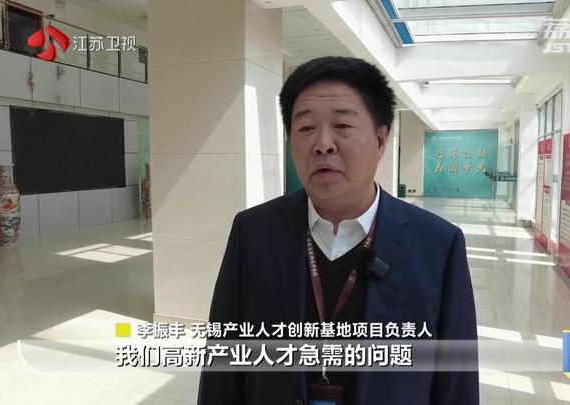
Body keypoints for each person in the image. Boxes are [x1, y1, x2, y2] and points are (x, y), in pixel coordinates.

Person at [198, 56, 478, 405]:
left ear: (380, 140)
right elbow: (222, 366)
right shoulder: (252, 233)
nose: (323, 144)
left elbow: (457, 385)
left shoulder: (437, 244)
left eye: (342, 126)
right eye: (305, 128)